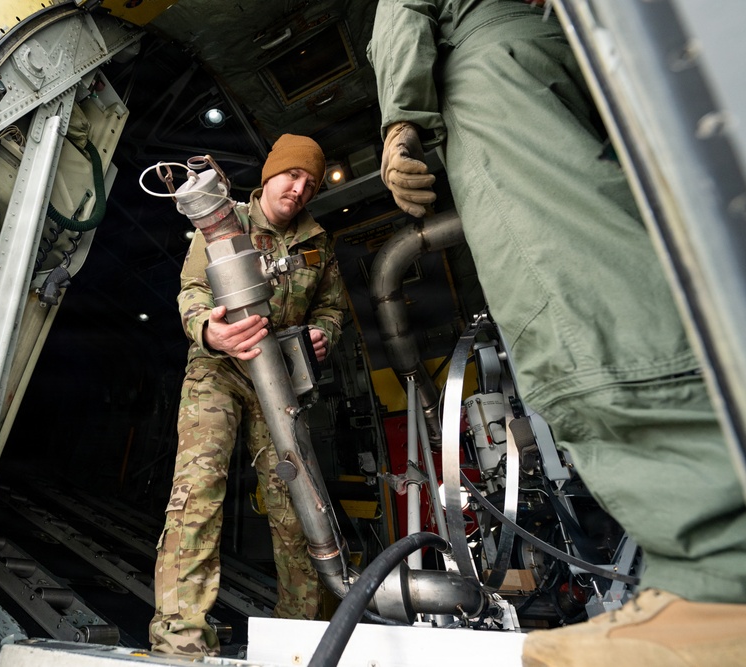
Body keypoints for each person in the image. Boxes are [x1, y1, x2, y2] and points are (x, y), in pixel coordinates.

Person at [367, 1, 746, 665]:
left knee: (569, 291)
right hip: (574, 44)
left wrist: (401, 115)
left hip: (493, 66)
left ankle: (719, 572)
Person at [148, 134, 345, 656]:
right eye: (291, 175)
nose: (298, 189)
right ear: (269, 175)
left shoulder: (318, 242)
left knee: (296, 503)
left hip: (279, 378)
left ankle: (298, 635)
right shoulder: (220, 219)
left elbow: (332, 307)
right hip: (219, 368)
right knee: (198, 491)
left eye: (309, 183)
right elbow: (191, 291)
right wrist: (208, 331)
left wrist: (325, 333)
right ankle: (181, 639)